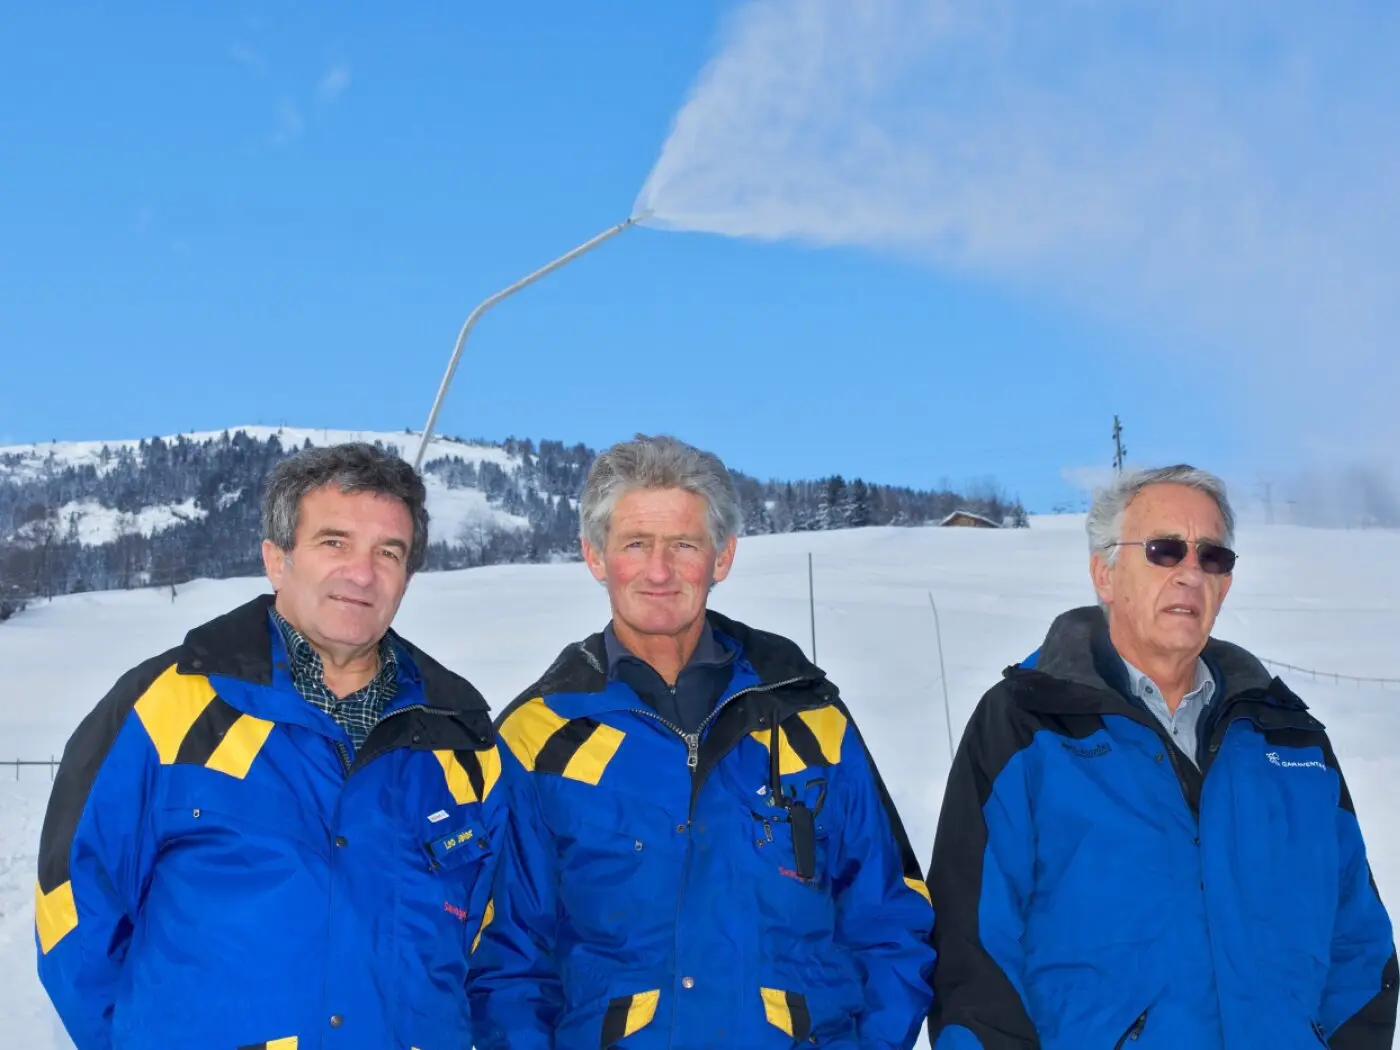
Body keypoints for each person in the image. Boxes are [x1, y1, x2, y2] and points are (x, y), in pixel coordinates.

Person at [468, 434, 934, 1050]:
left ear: (722, 557)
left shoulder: (809, 717)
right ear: (595, 556)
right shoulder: (539, 737)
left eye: (683, 545)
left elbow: (892, 918)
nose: (659, 571)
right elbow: (506, 963)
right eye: (635, 544)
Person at [36, 442, 503, 1049]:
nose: (361, 573)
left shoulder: (462, 741)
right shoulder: (167, 708)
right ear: (277, 559)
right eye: (334, 542)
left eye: (387, 552)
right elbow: (72, 908)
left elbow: (491, 948)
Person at [926, 464, 1397, 1049]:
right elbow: (972, 963)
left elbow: (1359, 945)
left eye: (1212, 557)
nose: (1190, 574)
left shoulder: (1290, 740)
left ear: (1225, 585)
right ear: (1105, 573)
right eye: (1164, 550)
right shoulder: (1025, 726)